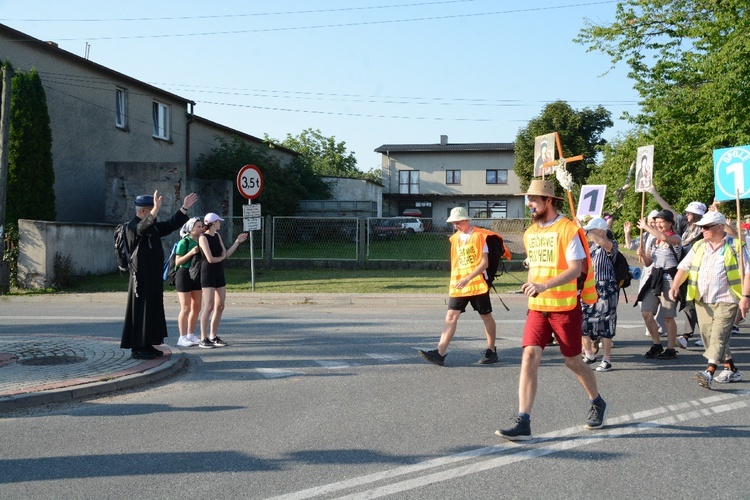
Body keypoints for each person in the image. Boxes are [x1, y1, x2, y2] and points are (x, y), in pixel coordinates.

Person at [496, 180, 606, 441]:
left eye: (534, 199)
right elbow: (536, 265)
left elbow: (575, 269)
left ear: (548, 201)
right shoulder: (530, 232)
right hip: (537, 307)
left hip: (564, 307)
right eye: (528, 199)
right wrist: (532, 282)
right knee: (529, 357)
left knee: (573, 361)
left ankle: (597, 401)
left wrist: (544, 285)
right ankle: (523, 419)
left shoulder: (567, 230)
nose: (530, 204)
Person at [668, 211, 750, 389]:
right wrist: (675, 286)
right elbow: (684, 267)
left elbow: (748, 272)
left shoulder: (736, 246)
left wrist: (745, 297)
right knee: (709, 337)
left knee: (719, 335)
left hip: (727, 299)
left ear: (720, 227)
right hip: (702, 299)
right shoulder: (699, 246)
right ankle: (731, 369)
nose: (702, 230)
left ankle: (709, 371)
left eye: (706, 227)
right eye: (701, 227)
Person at [418, 207, 508, 366]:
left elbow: (484, 263)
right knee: (451, 316)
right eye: (453, 223)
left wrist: (468, 278)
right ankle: (440, 353)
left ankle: (491, 350)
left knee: (486, 316)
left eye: (458, 222)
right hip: (460, 285)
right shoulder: (455, 238)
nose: (455, 226)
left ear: (467, 220)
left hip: (477, 284)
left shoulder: (480, 236)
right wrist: (461, 280)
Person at [121, 191, 198, 359]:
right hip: (140, 278)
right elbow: (141, 229)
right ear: (143, 211)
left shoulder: (153, 226)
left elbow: (170, 225)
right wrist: (155, 209)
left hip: (153, 276)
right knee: (141, 311)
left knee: (152, 310)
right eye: (151, 211)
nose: (154, 215)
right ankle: (138, 348)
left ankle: (148, 344)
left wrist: (184, 208)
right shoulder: (132, 226)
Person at [198, 212, 249, 348]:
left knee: (220, 305)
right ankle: (203, 338)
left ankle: (213, 336)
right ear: (213, 223)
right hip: (207, 273)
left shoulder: (217, 235)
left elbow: (226, 254)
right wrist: (221, 258)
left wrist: (237, 242)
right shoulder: (203, 238)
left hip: (218, 272)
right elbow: (210, 259)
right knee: (208, 306)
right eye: (218, 221)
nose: (220, 223)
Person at [636, 209, 682, 359]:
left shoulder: (675, 238)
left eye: (662, 222)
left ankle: (670, 348)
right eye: (657, 222)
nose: (659, 225)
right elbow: (649, 262)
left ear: (670, 223)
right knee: (646, 313)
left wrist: (646, 227)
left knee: (668, 317)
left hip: (669, 279)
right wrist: (642, 255)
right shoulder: (655, 241)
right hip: (655, 278)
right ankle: (656, 344)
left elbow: (663, 236)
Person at [580, 217, 619, 372]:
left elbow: (604, 243)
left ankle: (607, 359)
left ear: (601, 231)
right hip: (591, 287)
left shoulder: (610, 245)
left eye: (592, 230)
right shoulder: (591, 248)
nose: (589, 233)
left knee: (606, 324)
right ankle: (589, 354)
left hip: (606, 288)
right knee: (583, 321)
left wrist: (587, 231)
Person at [675, 201, 707, 348]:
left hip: (700, 272)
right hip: (685, 270)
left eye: (689, 213)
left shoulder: (704, 231)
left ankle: (696, 335)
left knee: (699, 304)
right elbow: (672, 212)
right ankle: (689, 335)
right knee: (689, 303)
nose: (686, 215)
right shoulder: (686, 228)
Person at [174, 217, 204, 348]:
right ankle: (182, 337)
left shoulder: (202, 241)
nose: (201, 228)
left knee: (196, 306)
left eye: (201, 226)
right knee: (185, 307)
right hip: (184, 273)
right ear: (191, 228)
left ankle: (191, 334)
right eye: (198, 226)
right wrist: (191, 253)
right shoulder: (184, 242)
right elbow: (178, 262)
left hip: (196, 274)